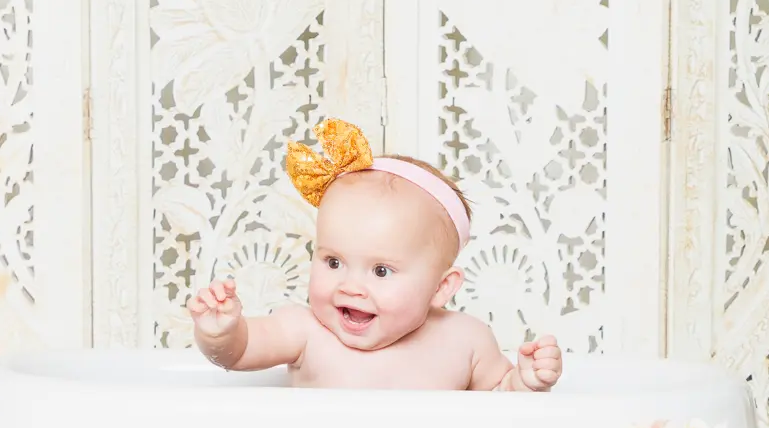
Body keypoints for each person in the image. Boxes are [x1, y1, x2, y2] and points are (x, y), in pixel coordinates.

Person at [186, 118, 562, 391]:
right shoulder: (303, 331)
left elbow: (499, 406)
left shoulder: (466, 341)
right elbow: (238, 352)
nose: (351, 286)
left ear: (441, 287)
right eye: (333, 262)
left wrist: (524, 382)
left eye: (381, 271)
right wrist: (221, 332)